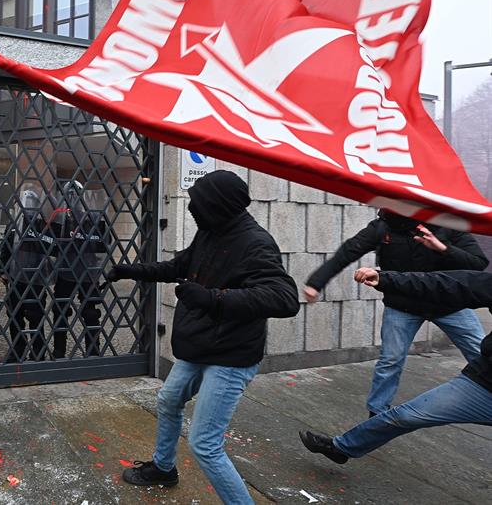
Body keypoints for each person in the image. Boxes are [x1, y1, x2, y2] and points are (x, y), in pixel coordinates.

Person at [110, 170, 299, 503]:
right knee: (169, 400)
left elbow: (284, 298)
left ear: (217, 205)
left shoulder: (256, 243)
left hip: (231, 357)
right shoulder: (211, 232)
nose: (192, 209)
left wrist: (214, 299)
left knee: (205, 444)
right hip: (201, 346)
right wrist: (129, 270)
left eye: (197, 203)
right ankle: (164, 468)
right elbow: (178, 266)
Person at [300, 266, 492, 465]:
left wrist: (444, 249)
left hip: (447, 314)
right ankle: (342, 447)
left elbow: (472, 258)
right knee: (405, 414)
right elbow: (448, 283)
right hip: (483, 387)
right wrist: (385, 279)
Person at [304, 209, 487, 416]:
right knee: (390, 361)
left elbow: (478, 263)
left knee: (481, 353)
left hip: (448, 304)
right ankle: (376, 414)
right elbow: (348, 252)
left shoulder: (447, 222)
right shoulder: (384, 226)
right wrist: (316, 283)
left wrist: (443, 248)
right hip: (403, 305)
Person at [51, 181, 110, 358]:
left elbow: (101, 245)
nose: (72, 199)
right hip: (68, 271)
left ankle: (91, 349)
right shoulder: (60, 219)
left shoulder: (90, 219)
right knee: (61, 310)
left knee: (89, 311)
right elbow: (52, 246)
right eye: (69, 195)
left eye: (74, 195)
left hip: (85, 271)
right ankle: (61, 350)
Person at [0, 184, 54, 363]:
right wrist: (4, 271)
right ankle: (19, 348)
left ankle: (37, 351)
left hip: (36, 279)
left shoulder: (42, 226)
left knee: (35, 317)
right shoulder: (15, 225)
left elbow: (50, 251)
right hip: (17, 278)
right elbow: (6, 248)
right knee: (15, 315)